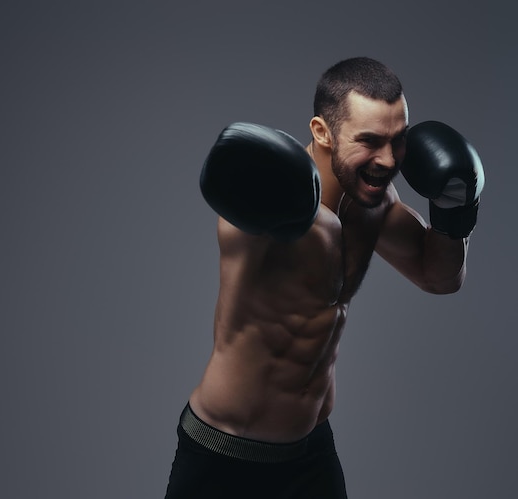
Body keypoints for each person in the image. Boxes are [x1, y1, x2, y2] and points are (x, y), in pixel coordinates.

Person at [164, 57, 485, 499]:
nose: (388, 160)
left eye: (398, 141)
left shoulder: (375, 206)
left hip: (310, 453)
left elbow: (440, 277)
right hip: (226, 454)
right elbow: (236, 205)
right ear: (321, 131)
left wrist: (456, 213)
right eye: (370, 142)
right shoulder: (272, 201)